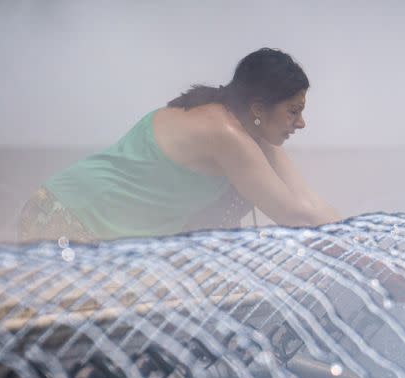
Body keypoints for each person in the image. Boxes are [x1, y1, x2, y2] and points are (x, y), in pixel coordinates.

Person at [17, 47, 340, 243]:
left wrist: (360, 244)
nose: (301, 123)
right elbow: (291, 213)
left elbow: (307, 201)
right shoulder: (225, 133)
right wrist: (362, 260)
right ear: (258, 108)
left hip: (111, 233)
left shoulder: (247, 128)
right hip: (70, 217)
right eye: (293, 112)